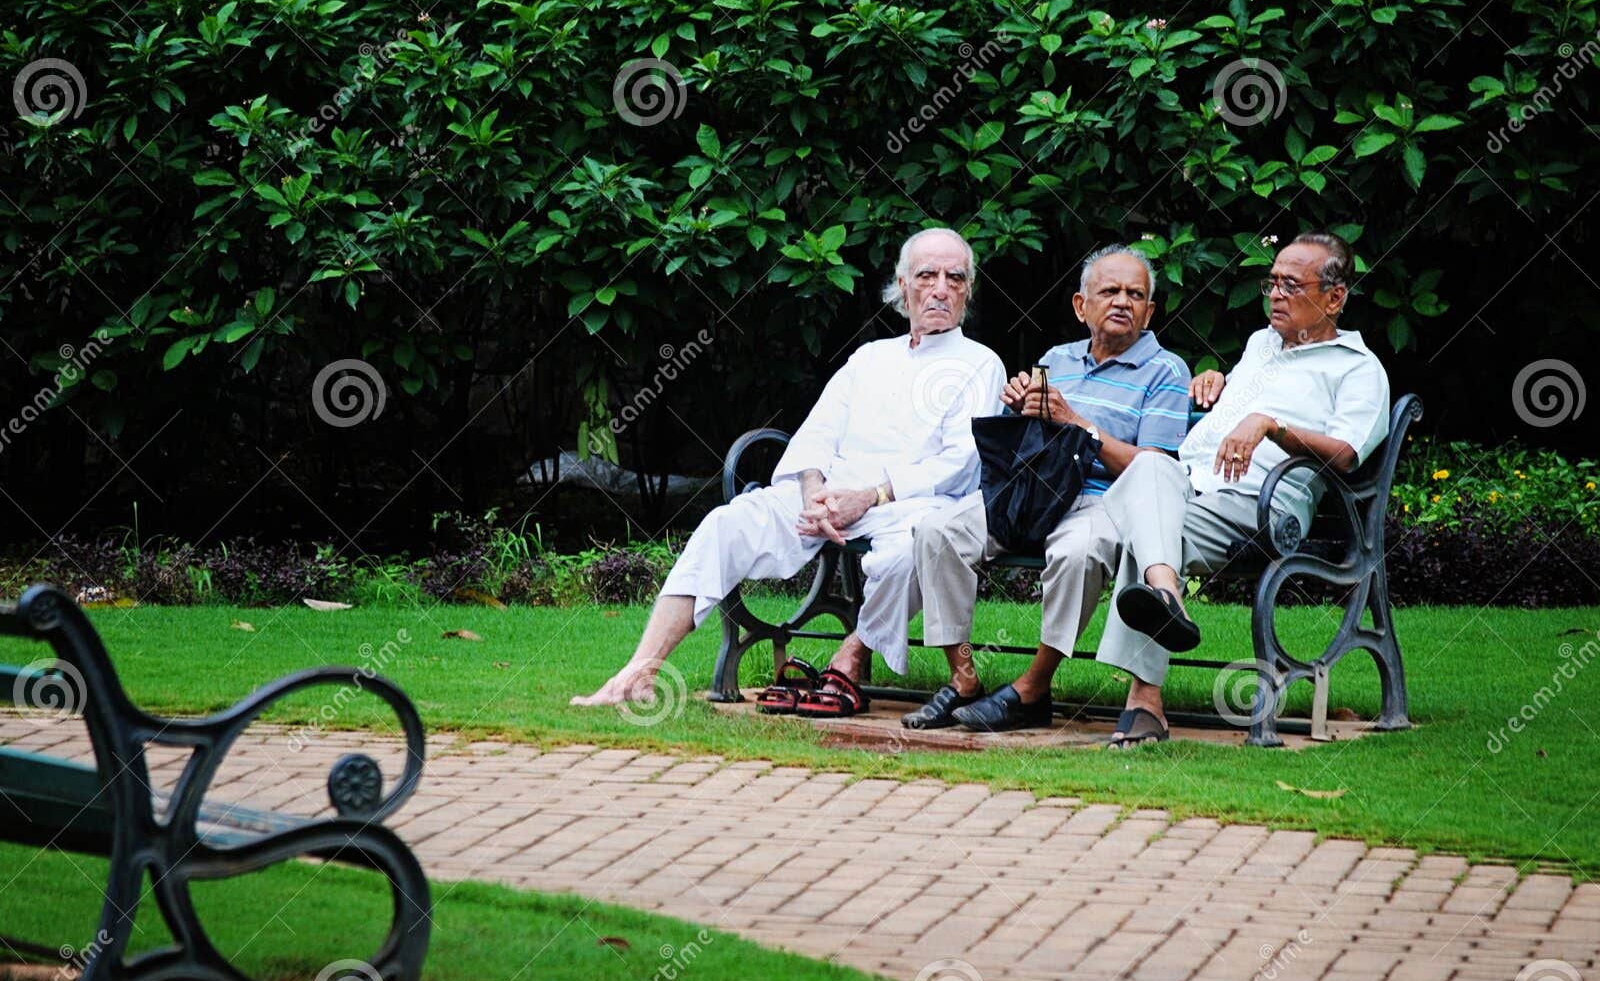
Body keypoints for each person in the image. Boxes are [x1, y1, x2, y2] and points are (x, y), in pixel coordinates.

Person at [572, 227, 1006, 711]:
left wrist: (869, 497)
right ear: (903, 286)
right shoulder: (869, 358)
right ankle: (641, 671)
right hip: (826, 499)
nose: (941, 289)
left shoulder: (981, 364)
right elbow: (817, 433)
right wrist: (813, 492)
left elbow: (959, 463)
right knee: (725, 524)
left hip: (910, 506)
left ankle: (850, 658)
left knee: (912, 550)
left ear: (968, 290)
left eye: (955, 278)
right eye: (927, 275)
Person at [1097, 231, 1392, 746]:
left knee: (1147, 531)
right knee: (1149, 471)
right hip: (1192, 487)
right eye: (1271, 282)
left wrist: (1273, 427)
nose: (1275, 294)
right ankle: (1165, 594)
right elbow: (1234, 406)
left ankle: (1145, 699)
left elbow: (1347, 453)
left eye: (1291, 285)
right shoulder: (1261, 345)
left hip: (1263, 506)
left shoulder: (1358, 369)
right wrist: (1215, 379)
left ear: (1334, 298)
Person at [904, 245, 1192, 731]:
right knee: (937, 532)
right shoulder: (1057, 359)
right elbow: (1025, 439)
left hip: (1101, 500)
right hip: (1032, 490)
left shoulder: (1166, 371)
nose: (1123, 301)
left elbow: (1153, 471)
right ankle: (964, 678)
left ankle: (1033, 689)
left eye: (1135, 294)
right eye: (1110, 291)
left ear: (1149, 312)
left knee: (1078, 554)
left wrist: (1075, 422)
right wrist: (1020, 406)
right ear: (1081, 306)